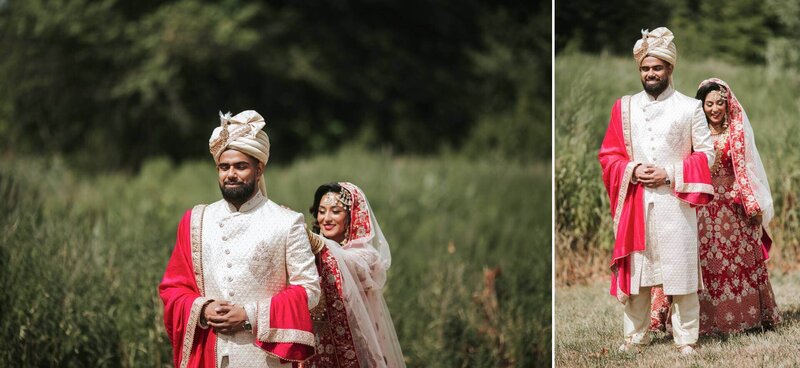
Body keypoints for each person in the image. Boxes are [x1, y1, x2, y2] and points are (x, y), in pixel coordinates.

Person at [159, 110, 321, 368]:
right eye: (224, 167)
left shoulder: (286, 222)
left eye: (240, 166)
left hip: (263, 358)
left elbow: (309, 290)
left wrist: (249, 315)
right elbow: (172, 289)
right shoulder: (196, 220)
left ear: (259, 170)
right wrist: (202, 308)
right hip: (209, 354)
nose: (230, 174)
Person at [597, 27, 715, 355]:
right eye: (645, 68)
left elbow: (707, 154)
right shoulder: (625, 107)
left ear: (670, 69)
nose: (650, 73)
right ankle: (635, 337)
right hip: (636, 201)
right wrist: (632, 169)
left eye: (657, 67)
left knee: (682, 276)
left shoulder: (689, 108)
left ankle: (686, 339)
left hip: (675, 201)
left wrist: (670, 172)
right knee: (638, 277)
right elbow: (609, 155)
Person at [649, 79, 780, 336]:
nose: (715, 108)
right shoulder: (695, 132)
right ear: (702, 105)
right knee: (702, 260)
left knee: (741, 256)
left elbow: (747, 169)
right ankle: (698, 321)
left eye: (720, 103)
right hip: (704, 203)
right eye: (709, 104)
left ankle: (749, 316)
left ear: (728, 104)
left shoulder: (737, 133)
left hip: (733, 204)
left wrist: (752, 203)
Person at [300, 182, 406, 368]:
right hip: (316, 348)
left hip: (356, 349)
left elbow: (345, 262)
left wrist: (311, 239)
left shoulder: (366, 256)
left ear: (352, 216)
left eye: (335, 211)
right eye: (322, 211)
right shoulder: (308, 254)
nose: (326, 218)